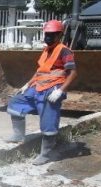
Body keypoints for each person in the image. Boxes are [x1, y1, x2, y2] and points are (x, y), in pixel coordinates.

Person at [5, 19, 77, 165]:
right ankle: (18, 135)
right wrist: (27, 84)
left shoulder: (64, 50)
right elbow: (40, 71)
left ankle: (46, 154)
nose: (48, 37)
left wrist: (60, 91)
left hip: (53, 88)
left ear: (59, 35)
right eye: (47, 34)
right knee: (16, 102)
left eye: (52, 34)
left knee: (48, 121)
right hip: (38, 85)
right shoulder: (46, 50)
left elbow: (73, 72)